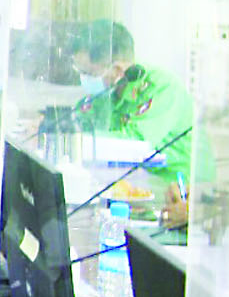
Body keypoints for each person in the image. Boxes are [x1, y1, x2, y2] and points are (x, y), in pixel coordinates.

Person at [70, 19, 208, 223]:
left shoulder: (161, 88)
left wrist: (75, 139)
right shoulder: (108, 90)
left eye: (88, 73)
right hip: (127, 192)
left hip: (178, 199)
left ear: (117, 70)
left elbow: (137, 143)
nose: (84, 80)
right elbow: (79, 120)